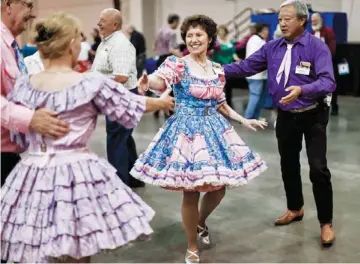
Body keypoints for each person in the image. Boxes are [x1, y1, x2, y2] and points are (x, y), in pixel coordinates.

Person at [0, 12, 175, 263]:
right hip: (75, 174)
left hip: (31, 171)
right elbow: (129, 102)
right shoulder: (89, 83)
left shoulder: (24, 84)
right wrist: (160, 102)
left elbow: (18, 134)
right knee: (78, 245)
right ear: (72, 44)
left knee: (38, 242)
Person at [131, 15, 268, 263]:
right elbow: (160, 80)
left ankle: (200, 222)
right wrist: (147, 81)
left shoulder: (217, 69)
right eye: (190, 35)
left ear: (209, 39)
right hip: (186, 132)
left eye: (199, 35)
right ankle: (192, 244)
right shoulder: (178, 64)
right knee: (191, 190)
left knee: (219, 189)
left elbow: (221, 104)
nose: (193, 40)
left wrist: (244, 120)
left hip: (214, 131)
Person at [223, 0, 336, 247]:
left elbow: (329, 81)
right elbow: (245, 67)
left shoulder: (317, 47)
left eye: (288, 18)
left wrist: (303, 89)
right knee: (288, 164)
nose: (282, 23)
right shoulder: (272, 47)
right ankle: (295, 208)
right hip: (285, 115)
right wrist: (212, 70)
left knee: (318, 169)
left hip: (313, 114)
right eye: (280, 19)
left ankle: (326, 223)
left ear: (302, 20)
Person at [1, 0, 68, 189]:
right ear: (8, 5)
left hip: (16, 152)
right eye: (27, 5)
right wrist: (31, 119)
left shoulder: (12, 47)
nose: (31, 13)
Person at [92, 8, 143, 188]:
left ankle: (118, 181)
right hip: (115, 96)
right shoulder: (107, 42)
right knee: (124, 137)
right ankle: (134, 177)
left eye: (102, 20)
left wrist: (93, 79)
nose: (99, 23)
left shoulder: (120, 44)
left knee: (116, 138)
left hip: (122, 97)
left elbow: (121, 76)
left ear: (115, 24)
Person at [153, 13, 182, 118]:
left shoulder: (160, 30)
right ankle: (168, 110)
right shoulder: (172, 33)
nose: (178, 24)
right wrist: (182, 56)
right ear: (174, 21)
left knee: (160, 85)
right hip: (168, 60)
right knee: (170, 85)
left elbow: (154, 46)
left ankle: (156, 109)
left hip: (160, 59)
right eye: (178, 22)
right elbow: (171, 49)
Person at [311, 12, 338, 116]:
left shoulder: (328, 31)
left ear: (320, 20)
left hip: (327, 64)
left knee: (331, 86)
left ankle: (334, 106)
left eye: (315, 20)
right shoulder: (312, 33)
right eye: (312, 21)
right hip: (315, 65)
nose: (313, 22)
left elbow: (332, 47)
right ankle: (319, 105)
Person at [211, 25, 240, 107]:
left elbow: (233, 53)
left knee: (229, 85)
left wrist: (238, 59)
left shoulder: (230, 42)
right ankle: (217, 103)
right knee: (218, 85)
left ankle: (228, 103)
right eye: (220, 32)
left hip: (229, 66)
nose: (221, 33)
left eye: (223, 31)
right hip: (217, 66)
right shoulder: (215, 43)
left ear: (226, 32)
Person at [244, 23, 269, 120]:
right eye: (266, 30)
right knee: (255, 95)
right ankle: (248, 118)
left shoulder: (260, 40)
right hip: (255, 75)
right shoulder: (255, 40)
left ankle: (256, 116)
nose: (267, 32)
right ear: (262, 30)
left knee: (260, 97)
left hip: (262, 74)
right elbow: (254, 57)